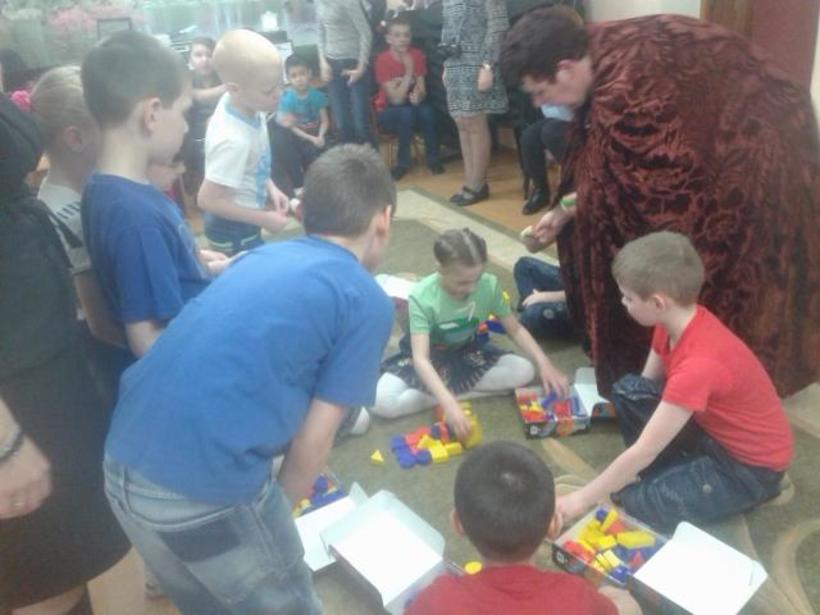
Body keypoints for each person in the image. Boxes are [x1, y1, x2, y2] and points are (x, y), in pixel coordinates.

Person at [102, 144, 395, 613]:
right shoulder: (365, 297)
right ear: (384, 220)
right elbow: (314, 440)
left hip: (120, 466)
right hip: (202, 492)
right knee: (289, 602)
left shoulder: (260, 257)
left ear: (303, 212)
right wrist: (276, 516)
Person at [500, 7, 820, 397]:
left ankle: (716, 376)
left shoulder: (624, 87)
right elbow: (608, 169)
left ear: (565, 68)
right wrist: (564, 211)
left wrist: (570, 213)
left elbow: (651, 197)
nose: (539, 103)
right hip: (747, 126)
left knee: (725, 266)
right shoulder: (595, 45)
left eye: (540, 91)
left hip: (766, 151)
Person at [557, 232, 793, 532]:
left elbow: (645, 449)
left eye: (628, 297)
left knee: (638, 501)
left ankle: (750, 491)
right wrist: (641, 453)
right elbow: (644, 390)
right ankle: (680, 474)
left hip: (749, 468)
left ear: (658, 302)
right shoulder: (674, 321)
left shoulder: (699, 365)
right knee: (629, 391)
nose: (623, 303)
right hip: (713, 433)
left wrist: (579, 500)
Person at [0, 93, 129, 615]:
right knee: (44, 584)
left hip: (39, 374)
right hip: (15, 410)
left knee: (69, 571)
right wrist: (5, 444)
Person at [81, 31, 216, 359]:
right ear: (152, 113)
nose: (186, 127)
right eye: (183, 112)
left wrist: (198, 264)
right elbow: (149, 340)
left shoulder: (104, 188)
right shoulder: (135, 218)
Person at [373, 228, 568, 440]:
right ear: (440, 268)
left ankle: (446, 393)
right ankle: (454, 394)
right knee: (381, 402)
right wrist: (449, 404)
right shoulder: (422, 296)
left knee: (525, 371)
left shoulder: (489, 285)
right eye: (462, 282)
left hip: (467, 353)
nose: (471, 288)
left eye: (477, 278)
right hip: (428, 358)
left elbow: (516, 329)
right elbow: (421, 359)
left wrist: (545, 363)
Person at [406, 441, 639, 615]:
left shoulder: (435, 600)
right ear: (553, 525)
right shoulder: (577, 596)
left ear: (458, 523)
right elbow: (625, 610)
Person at [198, 29, 291, 256]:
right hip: (231, 229)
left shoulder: (248, 104)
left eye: (280, 84)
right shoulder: (233, 140)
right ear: (234, 89)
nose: (279, 94)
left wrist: (271, 187)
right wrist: (263, 218)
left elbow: (254, 159)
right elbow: (207, 200)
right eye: (268, 90)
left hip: (247, 216)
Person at [441, 0, 508, 206]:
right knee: (461, 122)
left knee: (475, 122)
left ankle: (478, 185)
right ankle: (469, 180)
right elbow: (448, 27)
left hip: (479, 62)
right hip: (455, 62)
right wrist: (446, 64)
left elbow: (498, 26)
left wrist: (488, 65)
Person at [374, 13, 444, 180]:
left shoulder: (417, 54)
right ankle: (402, 163)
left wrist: (419, 96)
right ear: (388, 39)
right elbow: (396, 100)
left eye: (406, 35)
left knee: (428, 111)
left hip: (411, 106)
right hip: (389, 109)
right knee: (406, 113)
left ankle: (433, 159)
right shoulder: (382, 60)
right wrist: (409, 70)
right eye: (397, 35)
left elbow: (422, 88)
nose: (402, 39)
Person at [316, 0, 376, 146]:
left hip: (354, 64)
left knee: (361, 125)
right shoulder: (318, 3)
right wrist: (322, 62)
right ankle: (349, 160)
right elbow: (320, 33)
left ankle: (371, 160)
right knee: (342, 124)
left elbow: (366, 33)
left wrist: (362, 67)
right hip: (332, 66)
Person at [271, 53, 330, 195]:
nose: (299, 79)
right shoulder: (287, 100)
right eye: (294, 76)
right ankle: (305, 185)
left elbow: (325, 121)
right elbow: (292, 127)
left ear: (309, 73)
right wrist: (311, 138)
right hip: (299, 137)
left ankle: (323, 183)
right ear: (288, 78)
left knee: (324, 154)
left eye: (302, 73)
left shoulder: (317, 96)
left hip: (317, 135)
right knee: (304, 153)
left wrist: (320, 136)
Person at [182, 36, 226, 197]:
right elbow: (193, 95)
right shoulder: (186, 79)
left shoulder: (224, 76)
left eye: (209, 55)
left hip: (223, 134)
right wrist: (226, 88)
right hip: (194, 136)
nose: (204, 60)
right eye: (198, 55)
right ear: (190, 59)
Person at [519, 103, 571, 214]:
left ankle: (572, 186)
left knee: (551, 131)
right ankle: (541, 190)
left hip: (579, 120)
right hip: (553, 119)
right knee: (529, 137)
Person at [513, 255, 574, 340]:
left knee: (532, 314)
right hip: (574, 278)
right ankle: (533, 305)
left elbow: (585, 294)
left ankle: (533, 309)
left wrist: (545, 296)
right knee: (524, 265)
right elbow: (533, 248)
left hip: (586, 304)